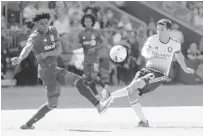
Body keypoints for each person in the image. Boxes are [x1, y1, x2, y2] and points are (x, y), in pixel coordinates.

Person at [11, 11, 112, 130]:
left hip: (53, 69)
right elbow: (27, 48)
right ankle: (98, 105)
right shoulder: (34, 37)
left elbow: (58, 50)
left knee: (53, 104)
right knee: (77, 81)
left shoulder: (52, 30)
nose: (45, 26)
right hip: (47, 72)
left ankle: (28, 124)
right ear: (35, 25)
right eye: (41, 24)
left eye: (46, 23)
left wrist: (45, 54)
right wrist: (20, 58)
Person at [105, 19, 194, 127]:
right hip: (147, 69)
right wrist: (147, 54)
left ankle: (111, 96)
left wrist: (184, 67)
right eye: (158, 29)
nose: (159, 32)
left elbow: (179, 55)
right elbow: (144, 50)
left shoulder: (175, 43)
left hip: (160, 73)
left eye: (162, 29)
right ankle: (143, 121)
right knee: (132, 93)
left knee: (135, 85)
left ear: (169, 30)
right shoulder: (152, 39)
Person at [78, 14, 110, 100]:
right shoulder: (81, 34)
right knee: (87, 78)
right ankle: (96, 95)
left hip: (95, 59)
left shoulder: (96, 32)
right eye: (86, 21)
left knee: (94, 76)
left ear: (92, 22)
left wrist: (95, 48)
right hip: (86, 60)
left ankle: (105, 87)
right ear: (83, 23)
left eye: (89, 21)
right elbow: (79, 44)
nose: (87, 22)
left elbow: (103, 43)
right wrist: (79, 45)